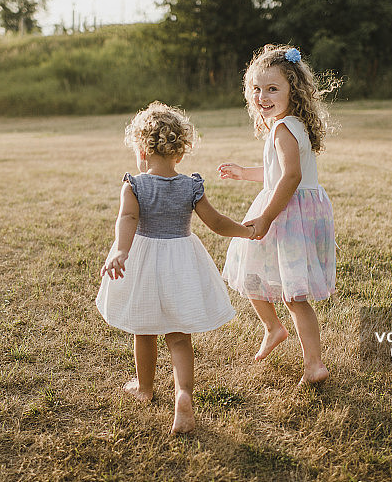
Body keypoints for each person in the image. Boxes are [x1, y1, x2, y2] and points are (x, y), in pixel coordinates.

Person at [97, 101, 254, 435]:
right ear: (180, 153)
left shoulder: (134, 185)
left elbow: (128, 218)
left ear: (141, 149)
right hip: (181, 261)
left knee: (145, 330)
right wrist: (246, 229)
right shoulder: (191, 186)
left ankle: (144, 389)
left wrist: (121, 251)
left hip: (143, 261)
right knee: (179, 337)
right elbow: (215, 222)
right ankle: (183, 394)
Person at [219, 44, 339, 386]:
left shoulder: (284, 128)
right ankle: (274, 328)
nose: (263, 96)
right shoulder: (291, 124)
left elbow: (290, 177)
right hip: (298, 209)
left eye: (273, 89)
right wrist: (244, 172)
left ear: (293, 90)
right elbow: (277, 172)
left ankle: (311, 361)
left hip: (286, 212)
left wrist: (268, 216)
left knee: (290, 292)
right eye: (257, 89)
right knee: (255, 270)